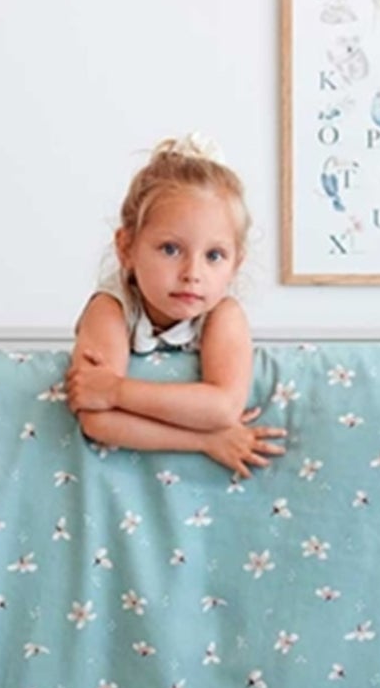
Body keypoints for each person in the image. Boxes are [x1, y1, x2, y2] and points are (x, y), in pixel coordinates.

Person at [65, 135, 286, 479]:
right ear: (126, 248)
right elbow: (97, 421)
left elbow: (224, 408)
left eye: (214, 255)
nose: (192, 273)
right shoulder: (110, 310)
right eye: (170, 249)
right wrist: (206, 440)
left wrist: (115, 390)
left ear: (236, 264)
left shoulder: (223, 314)